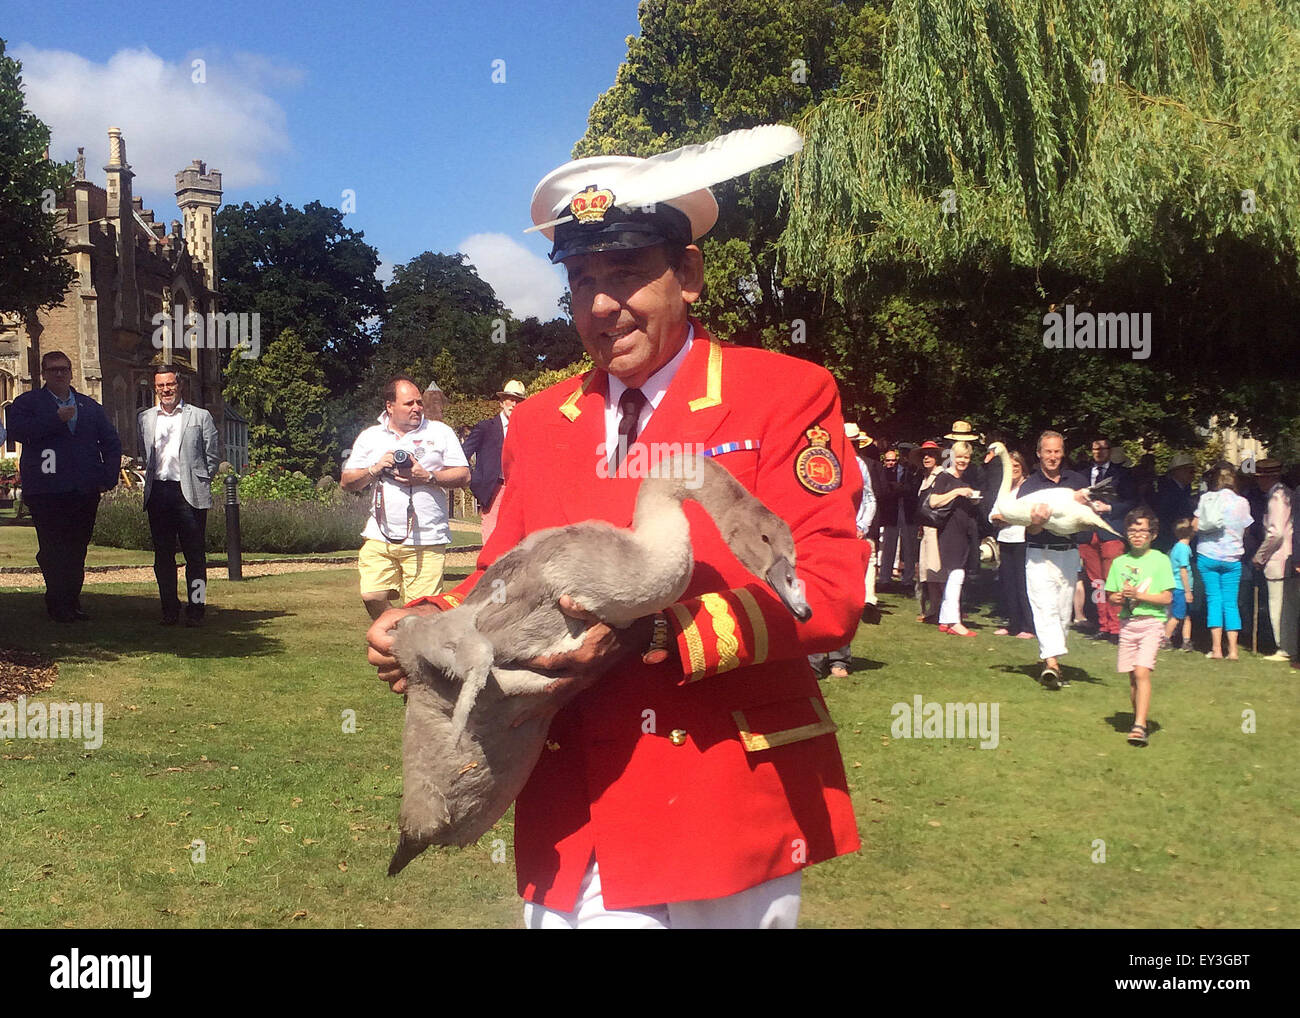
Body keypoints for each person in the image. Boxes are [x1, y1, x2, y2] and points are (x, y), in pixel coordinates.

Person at [365, 135, 866, 927]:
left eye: (626, 272)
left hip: (720, 798)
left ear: (690, 275)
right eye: (582, 279)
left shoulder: (782, 394)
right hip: (571, 806)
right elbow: (505, 570)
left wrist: (646, 634)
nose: (601, 304)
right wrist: (434, 621)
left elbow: (830, 593)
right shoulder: (538, 421)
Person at [6, 351, 122, 622]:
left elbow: (111, 442)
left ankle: (72, 600)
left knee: (76, 548)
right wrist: (54, 420)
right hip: (46, 491)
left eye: (64, 369)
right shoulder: (28, 402)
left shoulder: (88, 406)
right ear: (44, 374)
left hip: (83, 490)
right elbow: (18, 432)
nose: (59, 374)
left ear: (71, 372)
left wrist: (108, 476)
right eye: (53, 369)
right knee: (52, 548)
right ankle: (57, 602)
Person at [342, 376, 470, 620]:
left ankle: (406, 647)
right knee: (372, 594)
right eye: (409, 403)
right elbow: (347, 482)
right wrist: (375, 468)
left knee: (420, 613)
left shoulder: (440, 432)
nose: (417, 408)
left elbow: (464, 476)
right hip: (380, 535)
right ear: (390, 406)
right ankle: (396, 630)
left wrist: (428, 476)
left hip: (427, 539)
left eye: (419, 403)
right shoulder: (371, 436)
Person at [137, 364, 221, 626]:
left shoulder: (200, 416)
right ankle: (169, 609)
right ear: (155, 388)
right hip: (159, 492)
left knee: (195, 557)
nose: (166, 390)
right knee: (162, 556)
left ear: (180, 385)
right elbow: (147, 454)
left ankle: (196, 609)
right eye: (161, 385)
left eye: (170, 384)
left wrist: (199, 479)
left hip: (189, 494)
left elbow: (213, 457)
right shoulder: (146, 418)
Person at [1020, 430, 1092, 689]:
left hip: (1069, 554)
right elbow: (1030, 530)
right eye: (1048, 451)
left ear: (1063, 453)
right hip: (1039, 553)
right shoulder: (1030, 487)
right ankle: (1052, 664)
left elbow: (1085, 522)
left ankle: (1050, 659)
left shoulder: (1077, 482)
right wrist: (1037, 523)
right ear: (1038, 454)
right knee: (1044, 607)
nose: (1053, 457)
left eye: (1057, 451)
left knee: (1063, 611)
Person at [1104, 507, 1174, 747]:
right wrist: (1117, 598)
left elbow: (1166, 598)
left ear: (1152, 534)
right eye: (1132, 531)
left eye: (1142, 531)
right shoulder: (1119, 562)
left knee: (1143, 671)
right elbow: (1111, 595)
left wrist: (1141, 596)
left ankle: (1140, 725)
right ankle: (1138, 719)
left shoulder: (1160, 560)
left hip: (1152, 623)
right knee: (1133, 678)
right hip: (1128, 624)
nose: (1137, 535)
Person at [810, 424, 875, 678]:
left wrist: (861, 526)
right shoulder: (819, 463)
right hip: (820, 536)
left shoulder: (859, 467)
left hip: (848, 537)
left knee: (843, 597)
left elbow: (869, 499)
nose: (852, 446)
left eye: (855, 442)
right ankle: (812, 660)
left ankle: (840, 659)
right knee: (815, 595)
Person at [1077, 437, 1136, 641]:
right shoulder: (1082, 474)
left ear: (1110, 451)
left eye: (1103, 448)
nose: (1099, 451)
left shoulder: (1123, 475)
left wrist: (1109, 508)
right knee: (1097, 583)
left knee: (1114, 580)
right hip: (1088, 532)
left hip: (1111, 530)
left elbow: (1132, 501)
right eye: (1095, 448)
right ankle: (1103, 624)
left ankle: (1117, 626)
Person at [1194, 463, 1253, 661]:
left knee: (1214, 600)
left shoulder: (1206, 498)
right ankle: (1234, 651)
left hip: (1208, 555)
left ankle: (1217, 649)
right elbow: (1247, 529)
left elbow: (1195, 525)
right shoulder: (1242, 502)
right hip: (1233, 557)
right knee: (1230, 602)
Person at [461, 380, 525, 546]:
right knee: (491, 541)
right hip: (493, 489)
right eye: (510, 399)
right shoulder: (485, 427)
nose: (513, 404)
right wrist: (475, 480)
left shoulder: (526, 430)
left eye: (518, 400)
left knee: (517, 541)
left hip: (518, 490)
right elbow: (461, 455)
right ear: (502, 402)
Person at [927, 440, 980, 637]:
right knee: (956, 574)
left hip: (963, 531)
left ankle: (945, 618)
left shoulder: (964, 480)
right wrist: (957, 492)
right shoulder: (944, 477)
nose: (963, 461)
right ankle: (953, 621)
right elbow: (933, 501)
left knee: (954, 575)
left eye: (966, 457)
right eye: (959, 456)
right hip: (949, 531)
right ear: (952, 457)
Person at [989, 448, 1035, 639]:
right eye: (1011, 465)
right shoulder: (1005, 489)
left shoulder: (1028, 488)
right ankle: (1013, 623)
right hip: (1005, 540)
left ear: (1022, 467)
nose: (1014, 469)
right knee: (1008, 583)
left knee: (1023, 583)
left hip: (1022, 540)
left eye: (1017, 465)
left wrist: (1006, 517)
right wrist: (1002, 518)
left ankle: (1028, 625)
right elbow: (992, 514)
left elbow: (1027, 516)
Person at [1251, 459, 1293, 661]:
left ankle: (1283, 647)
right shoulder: (1284, 493)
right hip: (1286, 557)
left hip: (1278, 557)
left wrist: (1260, 557)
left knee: (1278, 605)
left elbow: (1276, 534)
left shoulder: (1277, 497)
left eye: (1260, 478)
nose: (1259, 482)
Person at [915, 440, 945, 622]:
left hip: (936, 529)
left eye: (930, 454)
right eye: (924, 455)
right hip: (925, 529)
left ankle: (941, 609)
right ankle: (934, 608)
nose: (926, 457)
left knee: (936, 570)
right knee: (927, 572)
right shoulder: (924, 477)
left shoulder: (941, 476)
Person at [1163, 518, 1196, 652]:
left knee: (1187, 616)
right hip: (1181, 588)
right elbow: (1183, 571)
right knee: (1177, 616)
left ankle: (1186, 641)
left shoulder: (1178, 547)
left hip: (1181, 588)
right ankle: (1165, 639)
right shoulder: (1183, 549)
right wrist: (1188, 591)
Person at [1155, 452, 1199, 552]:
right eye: (1190, 471)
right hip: (1170, 538)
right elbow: (1166, 514)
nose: (1193, 475)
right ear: (1178, 471)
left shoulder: (1185, 488)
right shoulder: (1167, 490)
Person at [875, 444, 906, 588]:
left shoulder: (902, 472)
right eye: (888, 460)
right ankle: (884, 577)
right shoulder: (882, 472)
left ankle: (895, 574)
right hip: (887, 513)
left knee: (899, 544)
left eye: (893, 460)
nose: (890, 463)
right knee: (886, 545)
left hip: (901, 511)